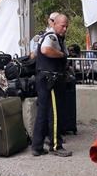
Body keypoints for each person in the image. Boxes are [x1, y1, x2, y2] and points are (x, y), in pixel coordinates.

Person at [31, 13, 73, 157]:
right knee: (54, 113)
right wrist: (61, 55)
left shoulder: (50, 36)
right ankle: (56, 146)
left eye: (66, 26)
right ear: (54, 24)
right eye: (62, 26)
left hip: (44, 78)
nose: (65, 29)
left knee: (42, 113)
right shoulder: (51, 37)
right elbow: (45, 50)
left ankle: (37, 146)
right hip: (51, 80)